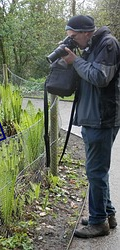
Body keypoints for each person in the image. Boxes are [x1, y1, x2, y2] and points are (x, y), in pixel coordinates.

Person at [62, 15, 120, 238]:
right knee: (97, 171)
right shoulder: (91, 46)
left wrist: (75, 61)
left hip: (102, 118)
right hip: (92, 117)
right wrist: (72, 60)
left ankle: (98, 223)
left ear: (86, 32)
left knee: (95, 171)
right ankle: (107, 214)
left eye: (74, 37)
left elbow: (99, 77)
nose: (73, 41)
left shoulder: (108, 44)